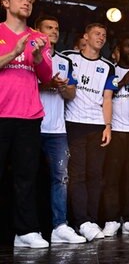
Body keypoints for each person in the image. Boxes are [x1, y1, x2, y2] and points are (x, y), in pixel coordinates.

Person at [0, 0, 52, 248]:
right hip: (1, 114)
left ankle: (25, 232)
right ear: (6, 3)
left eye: (30, 0)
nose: (26, 3)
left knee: (26, 176)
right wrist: (14, 52)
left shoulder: (38, 37)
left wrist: (35, 55)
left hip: (29, 116)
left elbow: (46, 77)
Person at [63, 23, 117, 241]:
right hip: (73, 122)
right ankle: (80, 221)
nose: (101, 38)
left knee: (95, 175)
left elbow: (107, 98)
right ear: (85, 36)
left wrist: (108, 126)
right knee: (76, 175)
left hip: (97, 125)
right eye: (97, 33)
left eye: (104, 35)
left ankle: (91, 220)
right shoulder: (69, 59)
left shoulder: (107, 66)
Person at [35, 15, 86, 244]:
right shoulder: (29, 56)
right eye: (48, 27)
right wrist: (47, 84)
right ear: (37, 31)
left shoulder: (65, 61)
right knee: (29, 178)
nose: (54, 31)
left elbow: (72, 94)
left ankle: (59, 226)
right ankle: (29, 229)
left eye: (56, 28)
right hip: (31, 125)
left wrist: (63, 87)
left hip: (57, 129)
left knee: (61, 178)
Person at [101, 33, 129, 237]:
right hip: (117, 130)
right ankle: (111, 219)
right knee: (112, 177)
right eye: (128, 45)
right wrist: (124, 81)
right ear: (118, 49)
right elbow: (106, 97)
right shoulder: (111, 70)